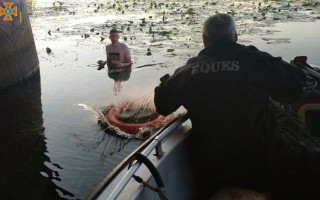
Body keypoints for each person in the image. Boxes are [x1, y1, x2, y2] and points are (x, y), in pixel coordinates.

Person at [154, 13, 320, 200]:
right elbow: (297, 83)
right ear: (235, 37)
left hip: (214, 173)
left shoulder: (187, 71)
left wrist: (165, 81)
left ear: (204, 40)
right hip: (267, 166)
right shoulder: (256, 59)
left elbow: (162, 104)